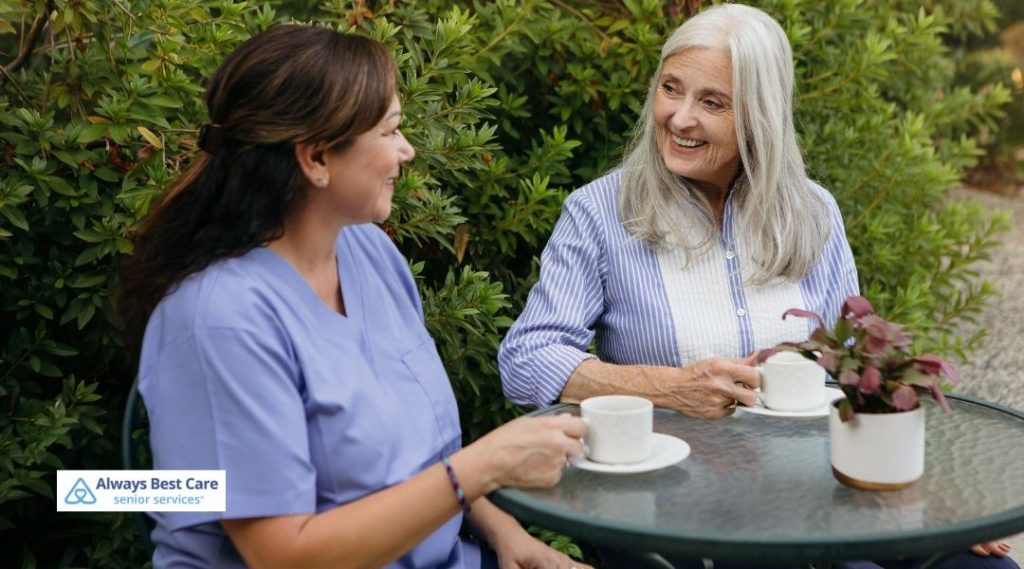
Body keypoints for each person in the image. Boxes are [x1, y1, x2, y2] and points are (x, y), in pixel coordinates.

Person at [498, 4, 1016, 569]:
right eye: (671, 89)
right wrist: (669, 387)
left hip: (819, 499)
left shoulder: (813, 211)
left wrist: (925, 503)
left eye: (712, 102)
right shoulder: (599, 213)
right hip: (671, 517)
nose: (679, 118)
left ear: (760, 116)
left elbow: (855, 372)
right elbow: (526, 361)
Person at [116, 25, 592, 569]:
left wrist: (508, 535)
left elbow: (418, 460)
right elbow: (282, 554)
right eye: (390, 132)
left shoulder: (367, 252)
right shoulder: (220, 322)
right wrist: (481, 467)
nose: (406, 151)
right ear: (316, 159)